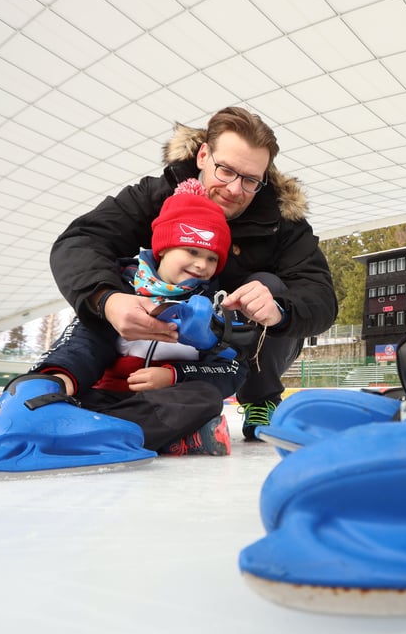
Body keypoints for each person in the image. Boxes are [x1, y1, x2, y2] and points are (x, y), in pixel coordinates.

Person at [50, 107, 337, 441]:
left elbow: (320, 295)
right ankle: (93, 388)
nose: (234, 189)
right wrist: (107, 299)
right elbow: (80, 241)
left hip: (228, 347)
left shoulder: (282, 223)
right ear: (203, 155)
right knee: (108, 280)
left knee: (270, 287)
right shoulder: (156, 197)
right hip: (156, 336)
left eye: (250, 180)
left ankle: (261, 398)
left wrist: (279, 310)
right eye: (225, 170)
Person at [29, 180, 242, 454]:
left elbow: (231, 369)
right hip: (104, 397)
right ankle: (155, 438)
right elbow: (85, 341)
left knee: (205, 397)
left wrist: (174, 375)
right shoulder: (121, 289)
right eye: (192, 251)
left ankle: (85, 435)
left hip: (160, 405)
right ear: (163, 248)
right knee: (62, 396)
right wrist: (60, 375)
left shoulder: (215, 306)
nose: (202, 264)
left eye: (212, 258)